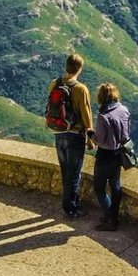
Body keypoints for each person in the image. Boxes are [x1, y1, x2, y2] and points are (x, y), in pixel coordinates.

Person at [47, 53, 94, 219]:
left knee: (65, 170)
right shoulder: (81, 89)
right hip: (75, 135)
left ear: (66, 66)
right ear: (79, 68)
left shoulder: (55, 83)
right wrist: (90, 136)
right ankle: (71, 209)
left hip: (58, 133)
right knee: (73, 173)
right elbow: (86, 115)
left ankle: (70, 202)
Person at [92, 82, 130, 232]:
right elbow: (126, 136)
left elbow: (99, 140)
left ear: (101, 97)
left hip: (104, 155)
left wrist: (90, 134)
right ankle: (113, 217)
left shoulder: (103, 116)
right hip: (118, 154)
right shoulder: (124, 110)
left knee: (99, 188)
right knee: (115, 187)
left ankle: (111, 219)